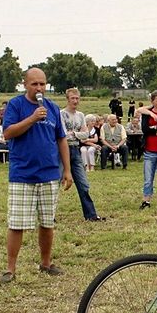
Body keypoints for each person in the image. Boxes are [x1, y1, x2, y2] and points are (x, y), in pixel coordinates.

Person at [0, 67, 73, 284]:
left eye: (42, 84)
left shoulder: (52, 108)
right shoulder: (16, 105)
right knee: (17, 224)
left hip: (49, 174)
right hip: (23, 174)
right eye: (34, 84)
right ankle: (10, 268)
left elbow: (61, 139)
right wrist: (31, 118)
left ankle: (46, 263)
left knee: (47, 222)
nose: (39, 88)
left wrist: (67, 170)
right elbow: (8, 133)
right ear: (25, 84)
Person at [61, 88, 104, 222]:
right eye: (72, 98)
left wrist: (74, 134)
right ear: (67, 99)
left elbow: (86, 134)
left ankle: (90, 215)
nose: (75, 101)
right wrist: (78, 134)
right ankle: (49, 216)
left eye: (77, 98)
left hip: (75, 150)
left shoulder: (80, 115)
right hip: (62, 150)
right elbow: (62, 134)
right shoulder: (61, 114)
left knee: (83, 184)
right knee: (55, 184)